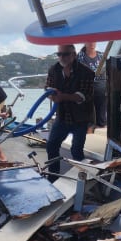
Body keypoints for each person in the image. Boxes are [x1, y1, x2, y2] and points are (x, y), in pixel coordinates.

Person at [44, 44, 95, 180]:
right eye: (59, 54)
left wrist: (61, 96)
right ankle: (53, 178)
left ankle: (83, 180)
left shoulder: (87, 72)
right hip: (62, 116)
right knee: (51, 145)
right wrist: (51, 95)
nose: (61, 57)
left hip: (80, 118)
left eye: (65, 54)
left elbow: (85, 96)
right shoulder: (54, 69)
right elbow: (47, 88)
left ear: (73, 54)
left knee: (77, 151)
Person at [77, 42, 108, 130]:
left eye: (94, 41)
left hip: (102, 91)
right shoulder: (79, 57)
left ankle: (101, 131)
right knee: (88, 121)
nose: (92, 43)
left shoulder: (102, 56)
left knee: (102, 119)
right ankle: (88, 133)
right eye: (89, 41)